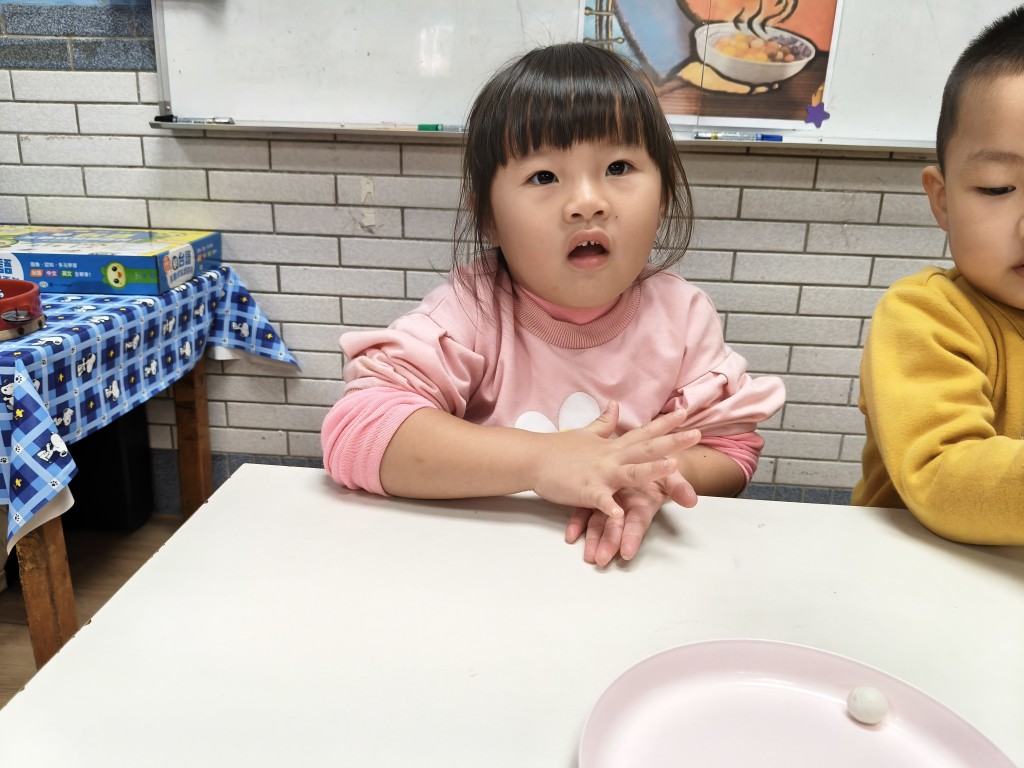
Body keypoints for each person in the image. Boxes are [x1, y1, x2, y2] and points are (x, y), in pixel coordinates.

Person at [321, 42, 785, 565]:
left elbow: (729, 450)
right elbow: (357, 431)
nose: (587, 202)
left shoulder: (682, 317)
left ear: (663, 197)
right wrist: (544, 461)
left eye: (618, 166)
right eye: (544, 176)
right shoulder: (470, 311)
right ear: (489, 217)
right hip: (482, 565)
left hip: (624, 571)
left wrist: (650, 477)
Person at [853, 6, 1024, 544]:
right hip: (912, 574)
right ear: (943, 200)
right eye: (998, 187)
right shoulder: (926, 314)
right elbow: (940, 473)